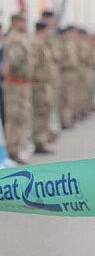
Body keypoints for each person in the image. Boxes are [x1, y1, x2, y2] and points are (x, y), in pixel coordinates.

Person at [3, 14, 33, 164]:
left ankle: (16, 148)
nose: (25, 24)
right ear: (16, 22)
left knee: (21, 117)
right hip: (15, 85)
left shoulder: (21, 38)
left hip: (22, 84)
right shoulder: (15, 39)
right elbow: (14, 61)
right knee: (14, 118)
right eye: (23, 21)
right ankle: (12, 150)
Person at [30, 21, 57, 153]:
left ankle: (43, 138)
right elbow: (33, 64)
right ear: (43, 30)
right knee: (40, 113)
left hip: (45, 83)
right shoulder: (36, 43)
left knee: (45, 111)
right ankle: (39, 142)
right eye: (47, 30)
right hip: (39, 84)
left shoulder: (43, 43)